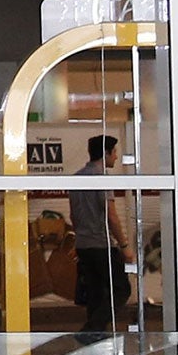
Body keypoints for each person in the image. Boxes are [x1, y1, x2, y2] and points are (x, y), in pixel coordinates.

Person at [70, 134, 133, 340]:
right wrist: (124, 245)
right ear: (105, 153)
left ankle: (95, 336)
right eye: (114, 152)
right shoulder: (102, 179)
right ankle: (91, 330)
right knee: (122, 289)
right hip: (101, 244)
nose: (116, 157)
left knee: (96, 293)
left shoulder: (76, 178)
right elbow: (111, 215)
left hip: (83, 244)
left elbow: (74, 214)